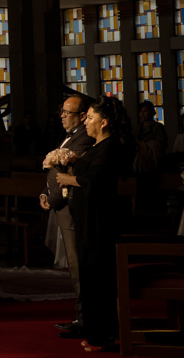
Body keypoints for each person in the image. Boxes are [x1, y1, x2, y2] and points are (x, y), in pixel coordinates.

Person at [56, 96, 135, 352]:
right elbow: (89, 168)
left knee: (99, 278)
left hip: (99, 223)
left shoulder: (109, 146)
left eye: (89, 118)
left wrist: (69, 179)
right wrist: (74, 162)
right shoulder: (98, 146)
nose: (85, 122)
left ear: (104, 122)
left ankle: (103, 336)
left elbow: (95, 179)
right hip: (88, 221)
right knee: (90, 275)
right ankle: (97, 333)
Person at [40, 90, 95, 339]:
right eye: (61, 111)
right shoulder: (68, 136)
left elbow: (68, 172)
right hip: (61, 206)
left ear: (82, 116)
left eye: (66, 112)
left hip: (72, 208)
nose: (61, 116)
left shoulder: (83, 138)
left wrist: (51, 200)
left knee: (77, 264)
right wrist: (44, 193)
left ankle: (87, 319)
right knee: (74, 266)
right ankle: (82, 316)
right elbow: (55, 170)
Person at [133, 100, 167, 174]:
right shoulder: (137, 128)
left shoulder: (158, 127)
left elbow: (161, 144)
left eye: (145, 111)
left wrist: (145, 146)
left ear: (151, 112)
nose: (142, 114)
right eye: (140, 111)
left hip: (152, 159)